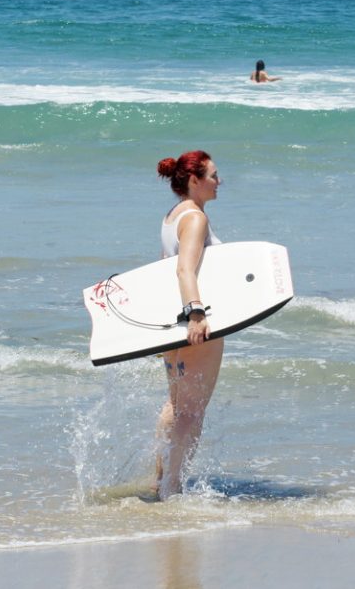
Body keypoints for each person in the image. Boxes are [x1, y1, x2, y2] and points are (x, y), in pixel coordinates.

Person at [154, 150, 224, 499]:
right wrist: (197, 314)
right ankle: (173, 487)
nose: (219, 181)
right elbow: (185, 270)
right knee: (192, 412)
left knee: (175, 405)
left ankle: (161, 478)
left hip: (172, 322)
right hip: (195, 322)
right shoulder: (195, 219)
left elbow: (162, 270)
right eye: (212, 175)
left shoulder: (172, 216)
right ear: (194, 180)